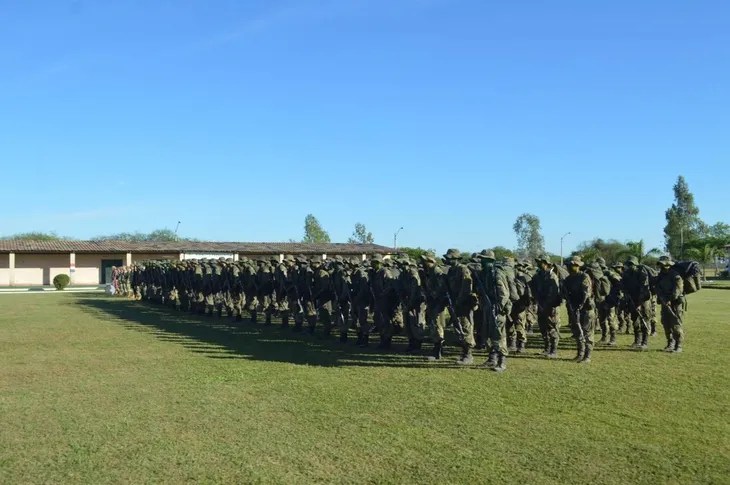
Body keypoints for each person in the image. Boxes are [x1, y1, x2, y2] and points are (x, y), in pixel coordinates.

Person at [562, 256, 596, 363]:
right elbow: (566, 294)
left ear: (577, 266)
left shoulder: (584, 277)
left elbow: (586, 293)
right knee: (577, 332)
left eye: (570, 265)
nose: (568, 267)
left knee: (587, 332)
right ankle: (580, 353)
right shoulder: (568, 279)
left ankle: (587, 356)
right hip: (574, 308)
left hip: (585, 309)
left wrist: (580, 305)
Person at [531, 255, 562, 358]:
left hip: (551, 307)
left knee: (552, 328)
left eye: (541, 262)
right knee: (543, 328)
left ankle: (554, 350)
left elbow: (553, 293)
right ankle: (547, 348)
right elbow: (534, 290)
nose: (539, 264)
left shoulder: (552, 276)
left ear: (546, 263)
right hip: (541, 306)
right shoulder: (538, 276)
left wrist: (547, 305)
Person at [654, 256, 685, 352]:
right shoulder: (661, 276)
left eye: (664, 265)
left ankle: (678, 345)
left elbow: (678, 289)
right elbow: (657, 287)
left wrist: (670, 299)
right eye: (661, 265)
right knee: (666, 323)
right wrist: (662, 298)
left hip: (675, 304)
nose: (663, 267)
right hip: (664, 302)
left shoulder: (675, 275)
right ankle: (670, 343)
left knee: (676, 324)